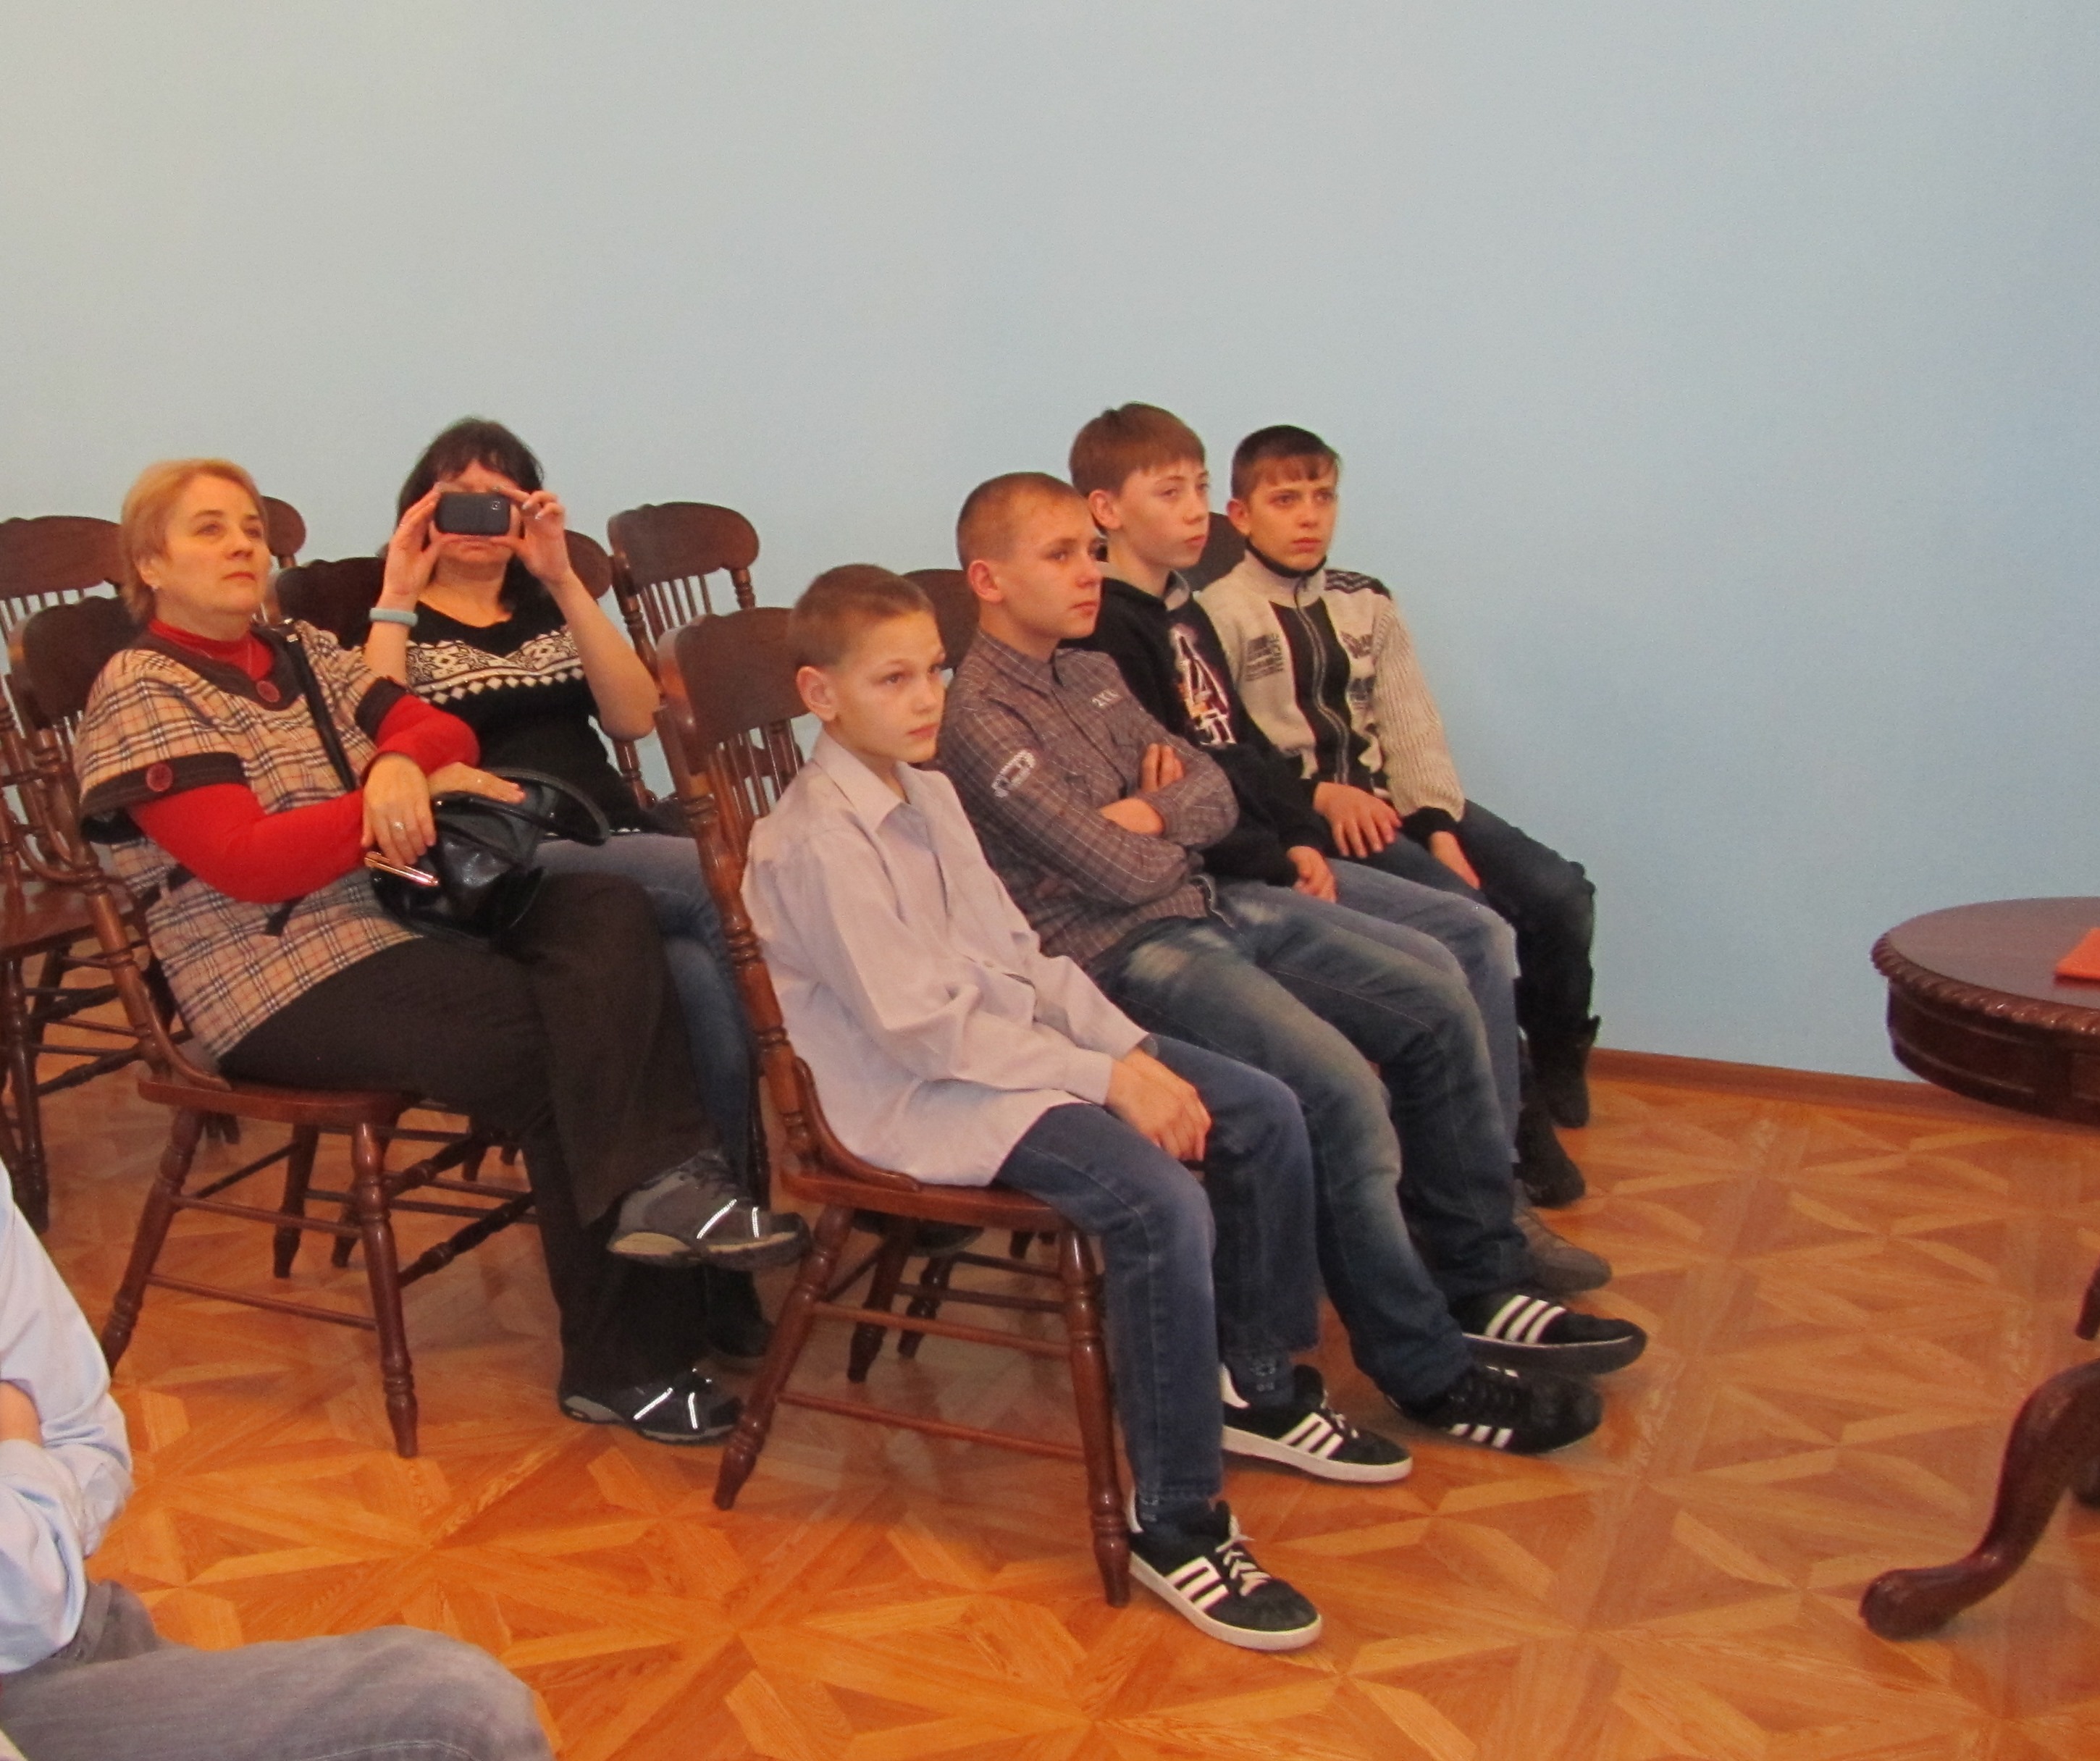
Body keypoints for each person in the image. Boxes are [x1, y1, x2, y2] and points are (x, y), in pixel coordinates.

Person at [745, 566, 1412, 1649]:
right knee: (1158, 1205)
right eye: (894, 679)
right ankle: (1176, 1520)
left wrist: (1124, 1046)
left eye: (936, 672)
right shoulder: (818, 841)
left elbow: (1024, 956)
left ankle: (1254, 1386)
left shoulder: (929, 793)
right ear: (820, 695)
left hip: (1007, 1053)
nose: (927, 699)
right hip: (922, 1096)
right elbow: (921, 1033)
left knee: (1261, 1108)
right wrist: (1106, 1079)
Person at [74, 458, 799, 1445]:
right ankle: (627, 1361)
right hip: (273, 977)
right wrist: (382, 803)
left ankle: (670, 1192)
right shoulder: (141, 688)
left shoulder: (298, 651)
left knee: (607, 906)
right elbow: (248, 862)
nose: (242, 544)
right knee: (572, 1046)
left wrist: (398, 766)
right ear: (149, 564)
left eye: (250, 527)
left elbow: (437, 724)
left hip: (395, 915)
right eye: (209, 529)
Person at [938, 474, 1645, 1455]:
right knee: (1339, 1087)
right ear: (988, 580)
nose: (1087, 571)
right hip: (1118, 954)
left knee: (1437, 994)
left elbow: (1213, 790)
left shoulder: (1090, 670)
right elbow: (1108, 869)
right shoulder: (978, 718)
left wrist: (1147, 814)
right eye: (1059, 555)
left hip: (1206, 903)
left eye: (1090, 552)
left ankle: (1479, 1279)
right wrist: (1160, 821)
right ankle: (1425, 1368)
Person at [1065, 403, 1603, 1270]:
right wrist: (1281, 849)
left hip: (1280, 845)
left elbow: (1238, 749)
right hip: (1216, 882)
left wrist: (1300, 832)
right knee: (1459, 943)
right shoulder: (1114, 627)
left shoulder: (1182, 609)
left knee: (1483, 924)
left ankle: (1484, 1194)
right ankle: (1476, 1212)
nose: (1194, 510)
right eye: (1172, 492)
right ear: (1107, 509)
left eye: (1198, 487)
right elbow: (1180, 791)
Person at [364, 418, 774, 1355]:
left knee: (703, 983)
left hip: (613, 838)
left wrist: (561, 577)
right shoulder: (396, 624)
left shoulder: (546, 604)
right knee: (725, 886)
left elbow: (633, 717)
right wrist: (397, 592)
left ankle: (717, 1264)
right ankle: (825, 1122)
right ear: (420, 510)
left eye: (500, 500)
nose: (479, 520)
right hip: (508, 861)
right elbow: (375, 741)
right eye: (457, 499)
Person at [0, 1177, 555, 1760]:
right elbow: (26, 1594)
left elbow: (90, 1441)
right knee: (462, 1716)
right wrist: (20, 1442)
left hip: (87, 1626)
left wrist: (32, 1524)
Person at [1196, 425, 1602, 1130]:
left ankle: (1558, 1048)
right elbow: (1232, 752)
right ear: (1242, 516)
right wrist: (1317, 797)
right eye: (1285, 499)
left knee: (1559, 893)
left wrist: (1437, 825)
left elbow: (1411, 724)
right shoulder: (1214, 614)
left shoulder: (1367, 600)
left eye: (1322, 497)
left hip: (1398, 799)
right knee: (1465, 921)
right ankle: (1511, 1111)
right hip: (1315, 815)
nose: (1308, 516)